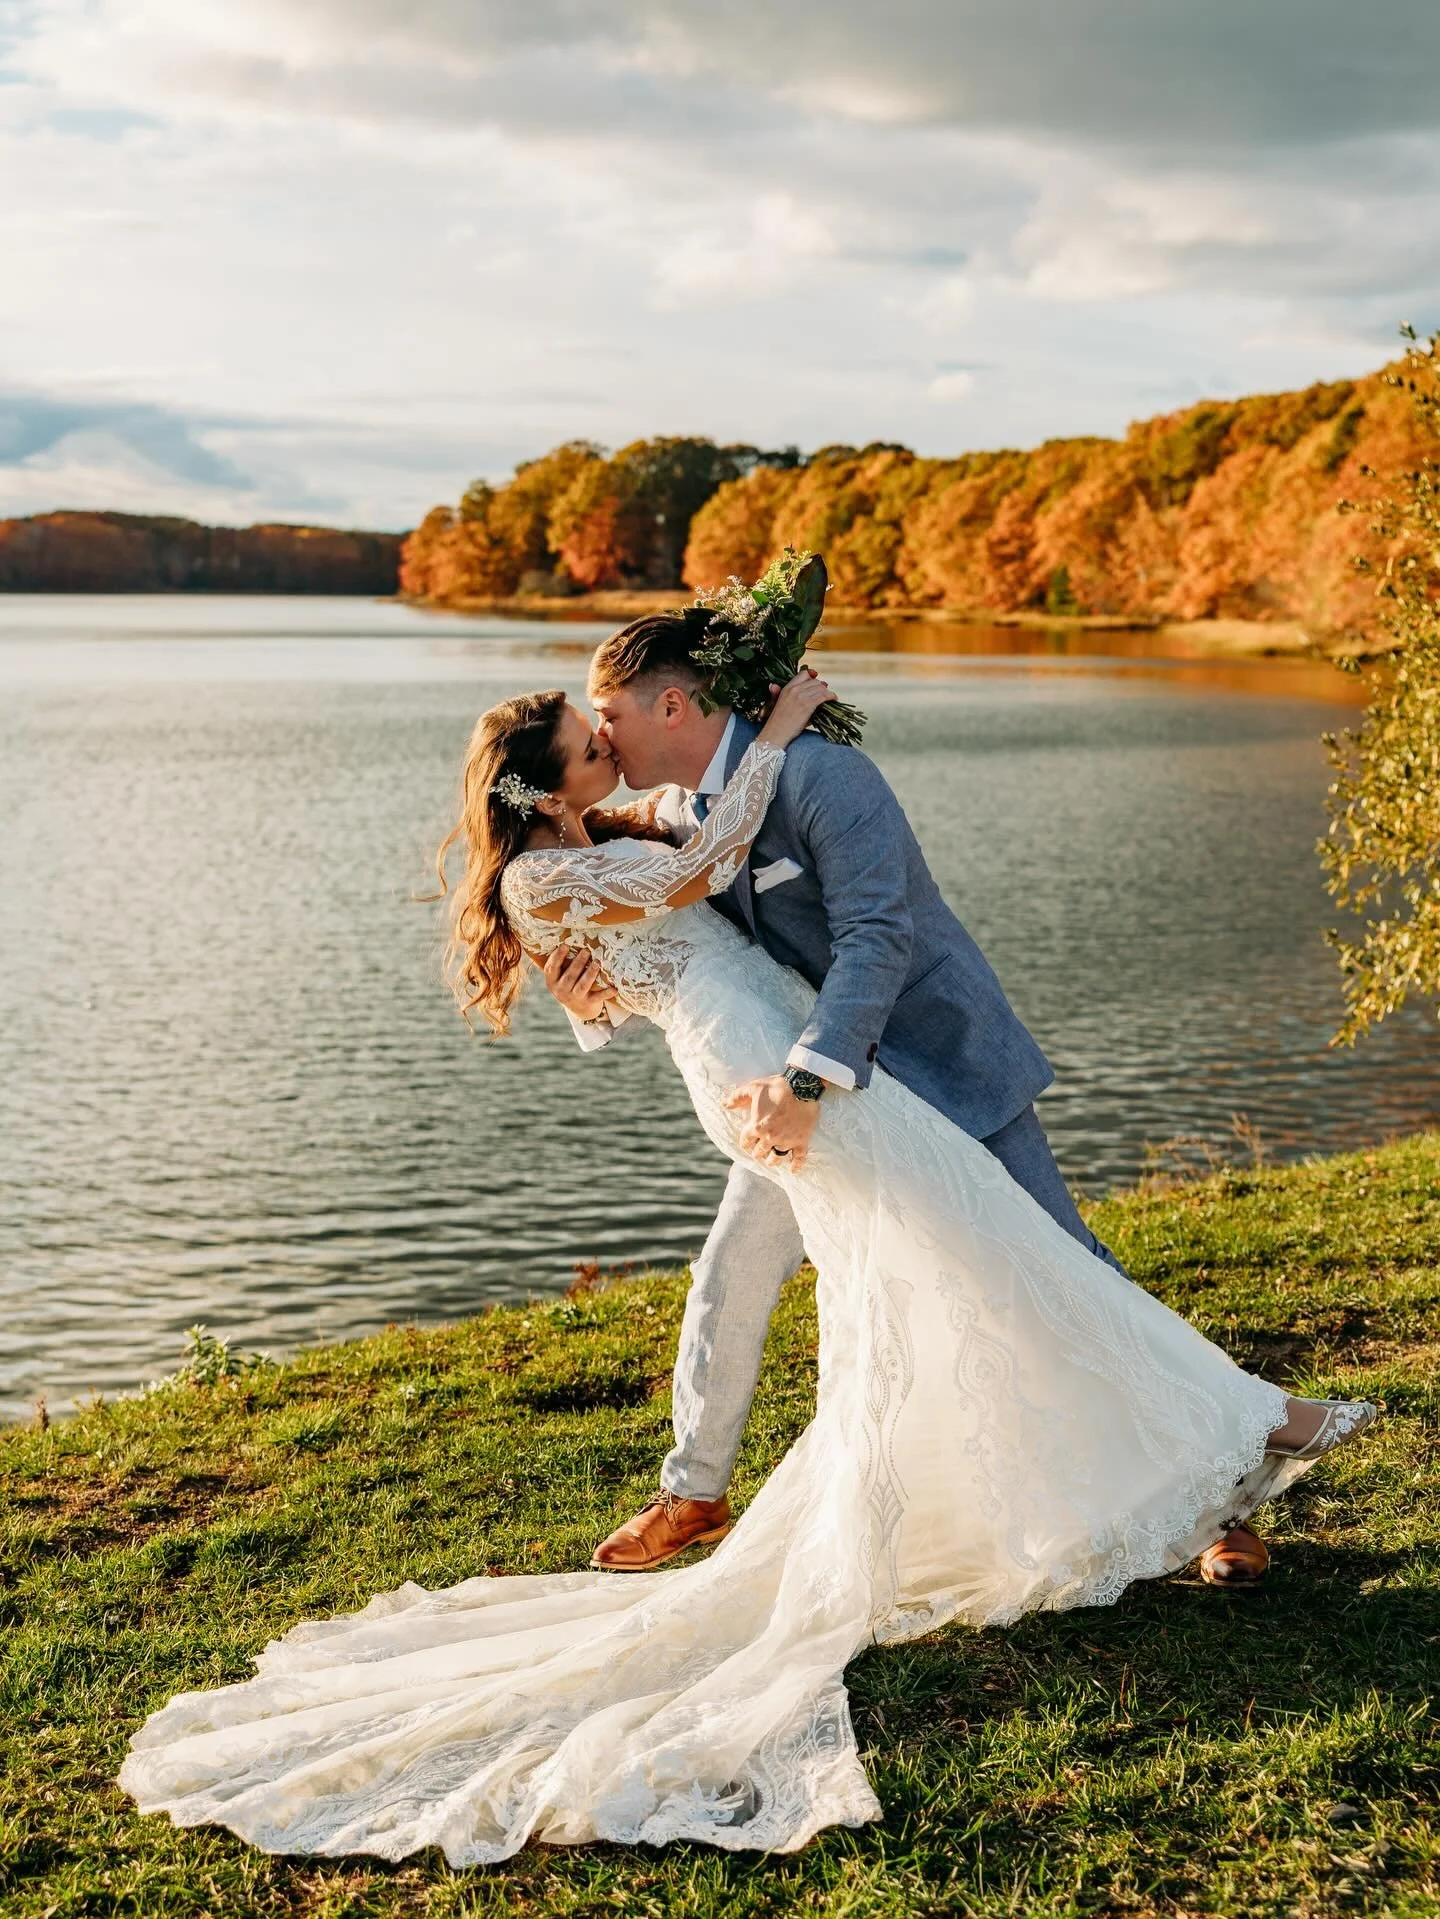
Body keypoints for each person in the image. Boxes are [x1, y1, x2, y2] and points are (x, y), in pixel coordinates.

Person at [119, 665, 1373, 1865]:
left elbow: (623, 978)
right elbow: (698, 879)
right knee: (980, 1247)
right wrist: (777, 731)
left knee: (966, 1254)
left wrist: (629, 945)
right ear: (539, 779)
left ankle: (1191, 1445)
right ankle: (1252, 1422)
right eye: (585, 730)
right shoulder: (554, 873)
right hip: (765, 1069)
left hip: (790, 1050)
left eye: (608, 719)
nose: (605, 736)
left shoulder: (598, 837)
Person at [547, 611, 1272, 1588]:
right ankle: (696, 1491)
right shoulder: (681, 815)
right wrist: (599, 976)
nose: (602, 736)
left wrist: (807, 1079)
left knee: (1068, 1270)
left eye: (608, 714)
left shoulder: (821, 775)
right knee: (732, 1273)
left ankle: (1222, 1499)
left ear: (669, 701)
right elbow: (697, 954)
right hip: (817, 1104)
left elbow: (877, 938)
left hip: (935, 1064)